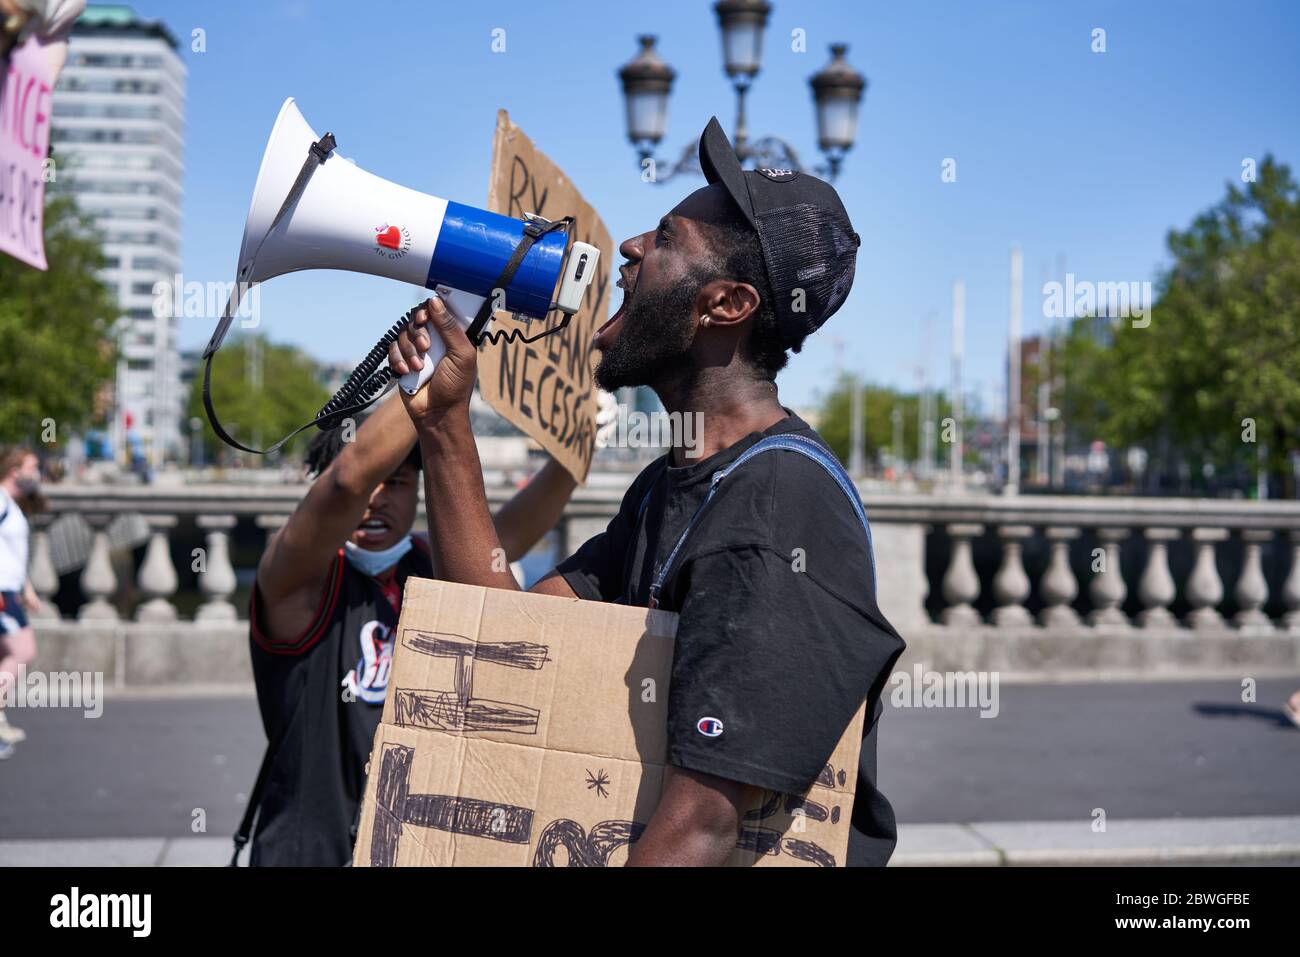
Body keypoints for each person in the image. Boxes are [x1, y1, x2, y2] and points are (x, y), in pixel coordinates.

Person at [387, 117, 906, 866]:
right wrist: (444, 423)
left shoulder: (776, 506)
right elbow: (503, 630)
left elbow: (701, 829)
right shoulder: (675, 482)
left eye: (665, 240)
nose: (630, 248)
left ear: (725, 306)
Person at [243, 394, 578, 865]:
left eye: (396, 482)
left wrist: (572, 453)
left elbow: (511, 537)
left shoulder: (424, 563)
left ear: (419, 488)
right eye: (369, 485)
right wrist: (435, 369)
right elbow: (346, 481)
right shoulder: (296, 578)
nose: (376, 498)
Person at [0, 446, 42, 760]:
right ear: (15, 470)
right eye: (32, 467)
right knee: (23, 651)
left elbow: (13, 554)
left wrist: (26, 589)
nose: (36, 474)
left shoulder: (12, 505)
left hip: (11, 592)